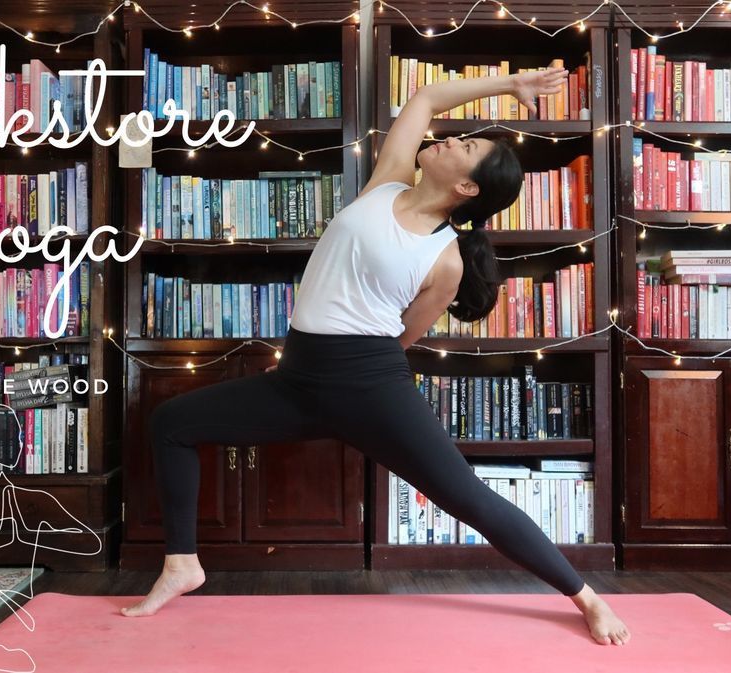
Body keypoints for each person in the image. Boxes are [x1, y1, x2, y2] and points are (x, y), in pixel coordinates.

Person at [120, 63, 631, 647]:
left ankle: (585, 597)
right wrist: (509, 87)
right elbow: (428, 96)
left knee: (466, 497)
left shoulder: (446, 259)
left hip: (369, 385)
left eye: (464, 146)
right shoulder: (387, 181)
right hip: (298, 379)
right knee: (172, 424)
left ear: (467, 188)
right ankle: (183, 564)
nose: (449, 139)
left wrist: (354, 369)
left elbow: (403, 335)